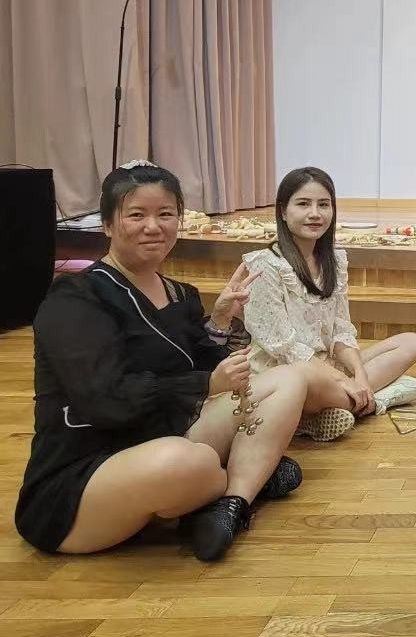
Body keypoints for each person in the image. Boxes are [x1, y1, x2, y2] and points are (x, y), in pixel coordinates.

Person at [14, 162, 307, 561]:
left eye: (165, 214)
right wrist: (206, 385)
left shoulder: (180, 293)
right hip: (84, 476)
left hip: (164, 435)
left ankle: (232, 502)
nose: (153, 226)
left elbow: (196, 366)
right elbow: (105, 400)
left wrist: (221, 321)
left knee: (288, 379)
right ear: (107, 224)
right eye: (137, 215)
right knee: (189, 462)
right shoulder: (75, 297)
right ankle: (247, 471)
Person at [243, 167, 416, 443]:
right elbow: (285, 348)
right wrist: (343, 381)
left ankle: (342, 404)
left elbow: (341, 330)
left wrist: (359, 377)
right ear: (283, 211)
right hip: (286, 374)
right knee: (308, 377)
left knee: (410, 342)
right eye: (303, 204)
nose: (315, 213)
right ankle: (369, 401)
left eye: (324, 205)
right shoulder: (265, 265)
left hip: (328, 368)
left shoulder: (334, 261)